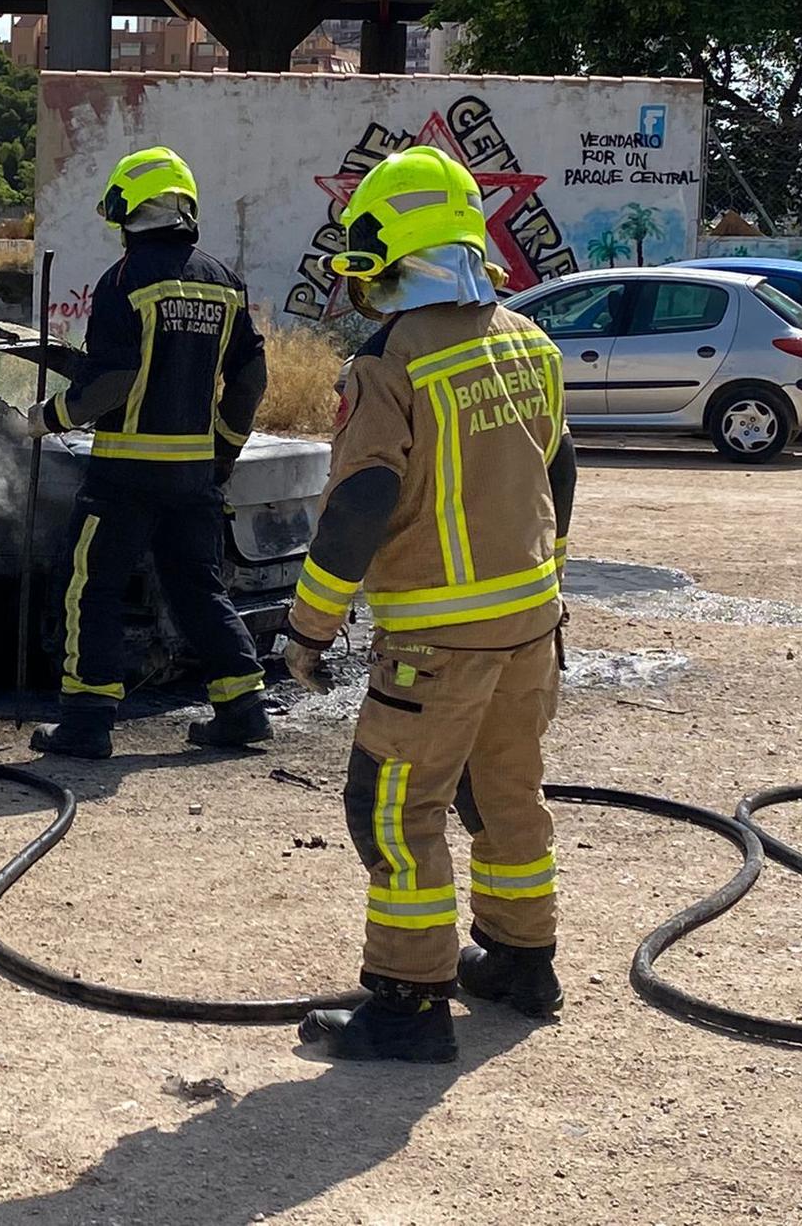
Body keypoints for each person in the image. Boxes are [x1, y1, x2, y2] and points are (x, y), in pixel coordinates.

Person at [286, 144, 577, 1064]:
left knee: (394, 810)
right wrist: (549, 576)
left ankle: (408, 1005)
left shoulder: (389, 361)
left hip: (436, 645)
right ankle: (524, 961)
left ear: (390, 253)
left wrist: (308, 625)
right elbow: (558, 469)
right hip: (532, 625)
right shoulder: (527, 340)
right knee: (505, 797)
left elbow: (361, 503)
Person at [25, 145, 271, 760]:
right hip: (192, 475)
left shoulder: (124, 281)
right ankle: (243, 710)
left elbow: (111, 381)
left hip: (125, 475)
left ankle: (86, 723)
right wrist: (224, 453)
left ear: (130, 209)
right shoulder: (223, 282)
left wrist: (49, 417)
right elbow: (250, 378)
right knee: (198, 588)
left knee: (92, 586)